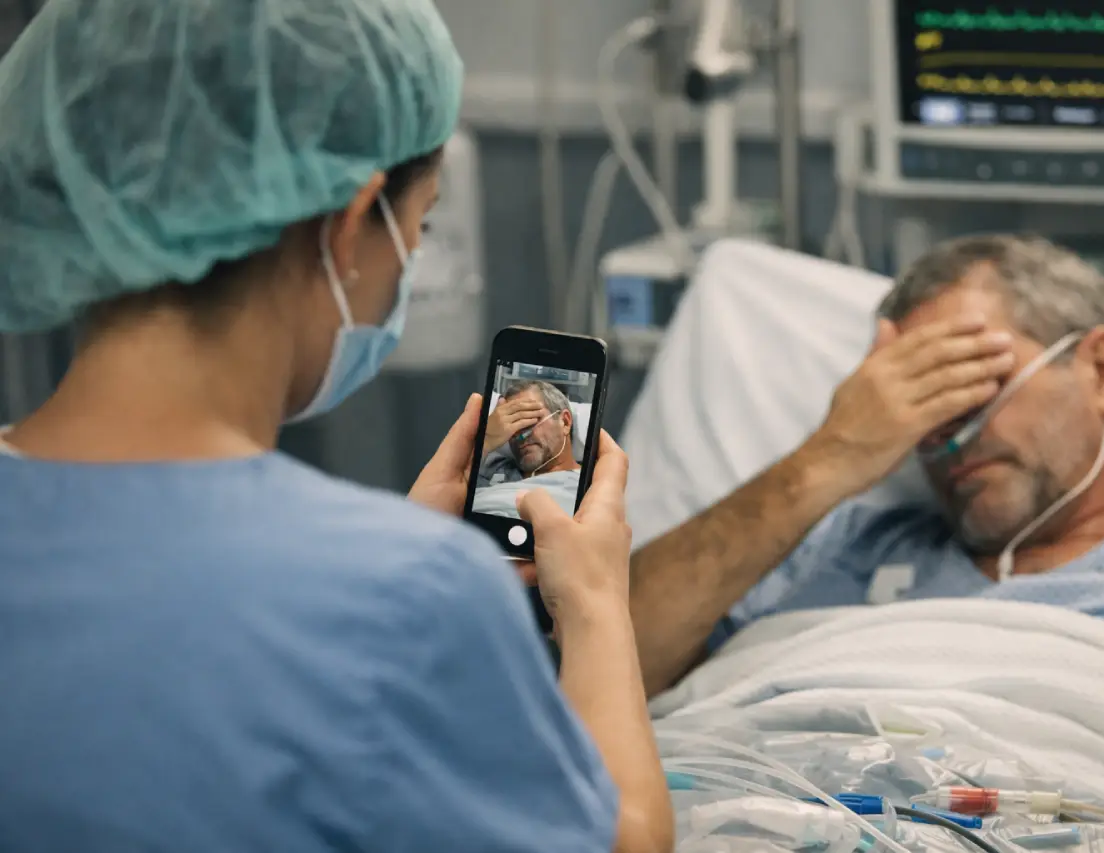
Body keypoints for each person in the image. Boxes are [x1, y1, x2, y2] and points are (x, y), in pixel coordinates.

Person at [0, 2, 672, 852]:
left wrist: (377, 552)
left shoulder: (391, 585)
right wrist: (595, 602)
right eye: (417, 227)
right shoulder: (413, 592)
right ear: (350, 230)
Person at [629, 234, 1104, 777]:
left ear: (1103, 371)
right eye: (913, 402)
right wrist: (824, 460)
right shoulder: (843, 541)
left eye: (964, 381)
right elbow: (607, 663)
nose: (941, 436)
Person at [475, 380, 582, 518]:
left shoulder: (591, 487)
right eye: (512, 424)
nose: (520, 435)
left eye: (529, 419)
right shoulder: (489, 464)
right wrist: (485, 439)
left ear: (565, 422)